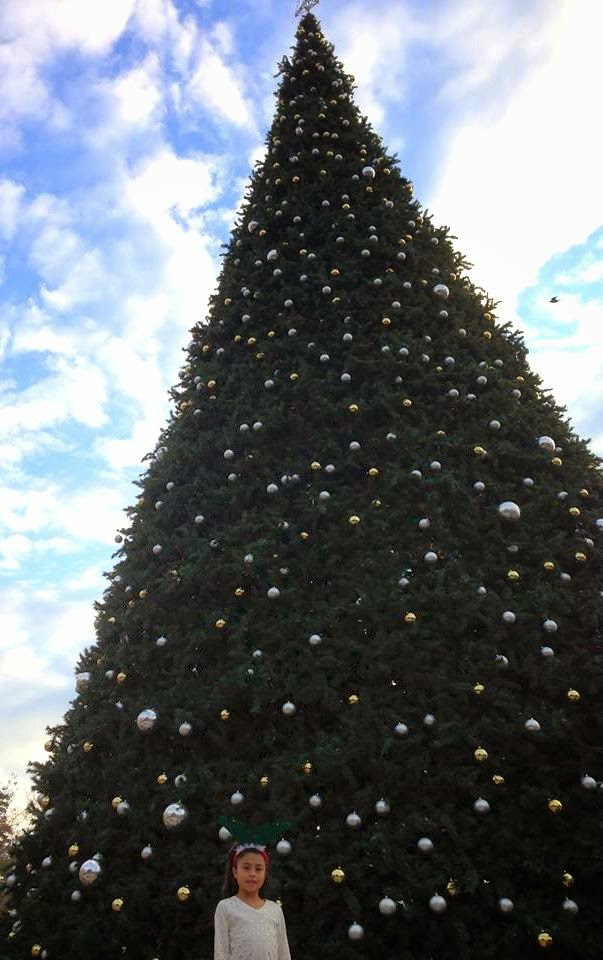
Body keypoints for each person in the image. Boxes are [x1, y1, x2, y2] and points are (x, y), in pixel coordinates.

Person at [214, 842, 292, 960]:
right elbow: (221, 952)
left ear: (265, 874)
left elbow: (283, 952)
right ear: (235, 872)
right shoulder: (226, 908)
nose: (252, 874)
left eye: (258, 869)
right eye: (246, 868)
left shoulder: (275, 910)